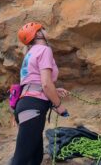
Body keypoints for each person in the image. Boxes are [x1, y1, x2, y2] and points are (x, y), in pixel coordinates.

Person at [11, 22, 69, 165]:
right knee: (20, 160)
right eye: (43, 28)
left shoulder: (30, 52)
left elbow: (34, 82)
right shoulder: (44, 50)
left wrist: (54, 91)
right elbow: (45, 84)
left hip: (26, 105)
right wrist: (58, 105)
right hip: (33, 107)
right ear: (38, 34)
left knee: (35, 158)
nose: (45, 30)